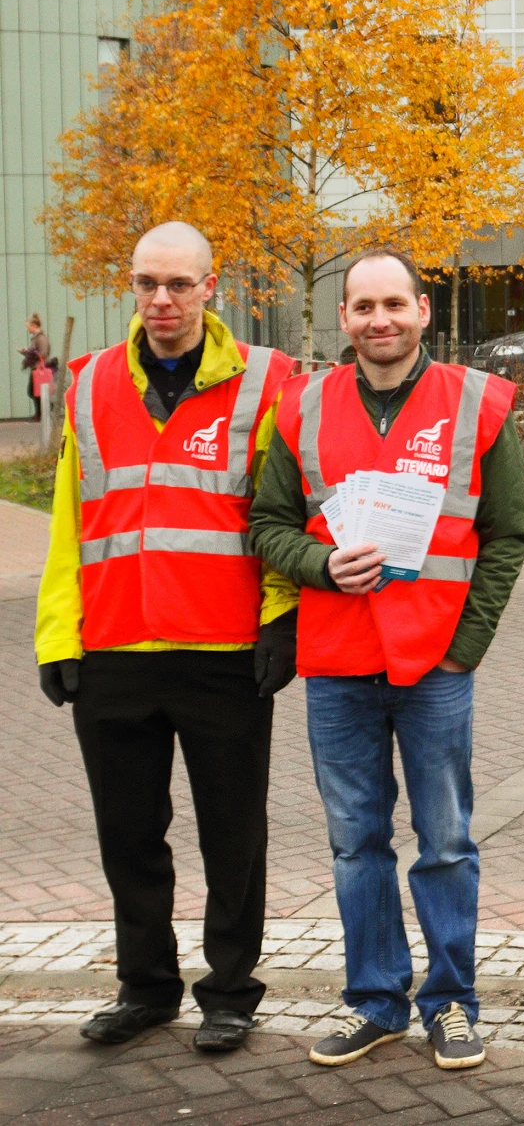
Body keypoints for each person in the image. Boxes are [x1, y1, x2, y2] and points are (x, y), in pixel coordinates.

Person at [250, 248, 524, 1071]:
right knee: (355, 843)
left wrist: (467, 645)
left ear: (423, 311)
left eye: (394, 304)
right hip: (337, 662)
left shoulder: (476, 402)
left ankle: (451, 1004)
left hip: (434, 667)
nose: (380, 319)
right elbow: (265, 524)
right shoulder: (302, 407)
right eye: (363, 305)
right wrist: (316, 564)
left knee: (444, 840)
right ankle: (376, 1000)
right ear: (344, 317)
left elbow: (508, 533)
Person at [34, 223, 296, 1054]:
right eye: (148, 283)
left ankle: (230, 990)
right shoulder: (90, 383)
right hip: (112, 649)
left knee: (233, 831)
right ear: (132, 283)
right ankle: (145, 986)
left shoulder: (266, 381)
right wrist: (56, 635)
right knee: (127, 833)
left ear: (212, 285)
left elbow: (279, 513)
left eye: (179, 284)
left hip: (221, 651)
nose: (161, 301)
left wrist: (279, 617)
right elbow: (72, 523)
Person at [22, 312, 51, 409]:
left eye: (28, 326)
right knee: (34, 391)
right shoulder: (36, 338)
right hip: (36, 367)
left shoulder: (41, 338)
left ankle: (43, 411)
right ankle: (40, 412)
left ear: (34, 325)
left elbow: (43, 353)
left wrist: (29, 352)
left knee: (35, 391)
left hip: (39, 368)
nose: (27, 329)